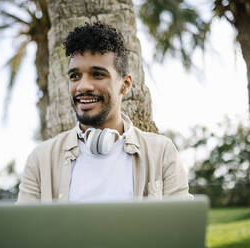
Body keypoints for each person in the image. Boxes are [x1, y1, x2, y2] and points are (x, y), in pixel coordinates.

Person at [17, 22, 192, 203]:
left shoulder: (161, 153)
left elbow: (183, 227)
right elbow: (23, 229)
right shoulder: (41, 159)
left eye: (98, 74)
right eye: (75, 76)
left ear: (125, 85)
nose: (83, 86)